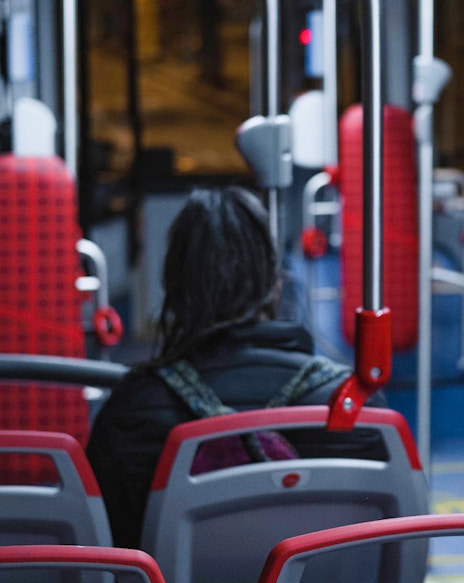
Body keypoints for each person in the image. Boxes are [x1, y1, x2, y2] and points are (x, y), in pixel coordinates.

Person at [86, 186, 383, 549]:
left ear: (175, 290)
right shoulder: (353, 407)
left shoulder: (132, 411)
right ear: (274, 285)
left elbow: (104, 549)